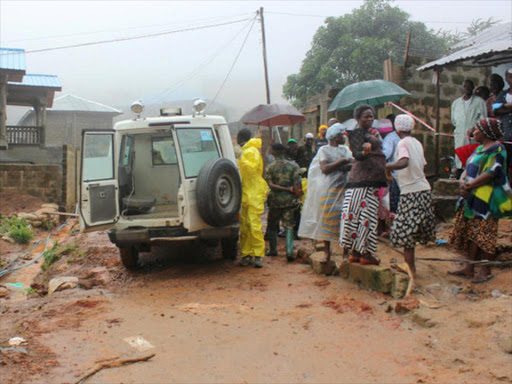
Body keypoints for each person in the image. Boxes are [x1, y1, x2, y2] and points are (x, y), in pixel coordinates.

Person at [449, 118, 512, 283]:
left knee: (485, 234)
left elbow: (492, 172)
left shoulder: (498, 149)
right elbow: (467, 167)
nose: (473, 131)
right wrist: (462, 181)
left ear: (485, 131)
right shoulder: (478, 149)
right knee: (472, 233)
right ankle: (469, 267)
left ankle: (485, 269)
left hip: (487, 199)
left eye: (476, 129)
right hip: (471, 196)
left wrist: (469, 186)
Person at [386, 115, 436, 274]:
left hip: (412, 191)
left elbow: (404, 162)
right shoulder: (416, 143)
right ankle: (410, 264)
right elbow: (421, 165)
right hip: (423, 189)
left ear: (397, 129)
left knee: (405, 229)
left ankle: (410, 267)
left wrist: (387, 166)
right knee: (412, 229)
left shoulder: (402, 143)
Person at [340, 104, 387, 265]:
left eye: (371, 116)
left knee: (357, 216)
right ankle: (365, 254)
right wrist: (365, 152)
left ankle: (355, 252)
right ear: (357, 119)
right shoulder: (357, 134)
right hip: (364, 182)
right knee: (366, 216)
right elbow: (357, 155)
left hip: (364, 182)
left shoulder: (370, 133)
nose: (370, 119)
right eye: (366, 116)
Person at [298, 124, 352, 257]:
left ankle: (345, 250)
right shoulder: (324, 150)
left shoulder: (345, 149)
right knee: (327, 220)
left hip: (344, 188)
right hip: (329, 189)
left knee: (345, 220)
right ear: (334, 137)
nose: (344, 137)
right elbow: (325, 168)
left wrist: (343, 164)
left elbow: (352, 163)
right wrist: (342, 162)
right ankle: (327, 252)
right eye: (341, 135)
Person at [265, 143, 303, 261]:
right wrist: (294, 193)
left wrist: (283, 189)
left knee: (272, 225)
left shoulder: (270, 167)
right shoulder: (294, 166)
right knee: (289, 225)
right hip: (289, 201)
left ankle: (273, 250)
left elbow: (270, 185)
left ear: (274, 152)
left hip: (275, 201)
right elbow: (297, 186)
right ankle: (289, 251)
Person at [237, 129, 268, 268]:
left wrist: (240, 158)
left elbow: (251, 169)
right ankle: (246, 254)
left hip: (254, 192)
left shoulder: (251, 151)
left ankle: (258, 255)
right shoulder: (246, 151)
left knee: (254, 225)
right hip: (245, 192)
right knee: (245, 226)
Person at [451, 79, 487, 172]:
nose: (466, 88)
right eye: (464, 86)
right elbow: (454, 121)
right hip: (460, 136)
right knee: (460, 162)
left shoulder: (480, 102)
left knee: (473, 161)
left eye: (469, 86)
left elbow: (483, 119)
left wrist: (474, 128)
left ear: (473, 87)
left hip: (473, 137)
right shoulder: (456, 103)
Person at [495, 68, 512, 186]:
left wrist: (505, 108)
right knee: (505, 162)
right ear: (506, 78)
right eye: (510, 76)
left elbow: (501, 108)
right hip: (506, 135)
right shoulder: (503, 94)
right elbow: (495, 108)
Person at [381, 115, 401, 214]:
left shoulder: (389, 138)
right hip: (402, 174)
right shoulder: (400, 137)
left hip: (394, 174)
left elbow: (386, 154)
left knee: (393, 202)